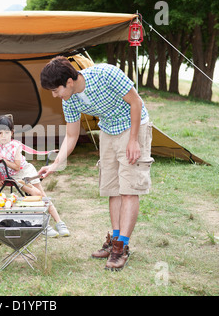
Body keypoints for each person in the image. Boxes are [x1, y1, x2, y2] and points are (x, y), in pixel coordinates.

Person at [38, 56, 153, 271]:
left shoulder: (106, 74)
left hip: (133, 126)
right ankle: (115, 238)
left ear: (69, 82)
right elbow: (71, 136)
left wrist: (134, 140)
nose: (55, 95)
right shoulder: (69, 99)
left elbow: (136, 102)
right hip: (108, 131)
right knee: (113, 188)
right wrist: (55, 165)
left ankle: (122, 247)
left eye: (56, 90)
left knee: (129, 189)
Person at [0, 115, 70, 238]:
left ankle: (59, 222)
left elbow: (16, 166)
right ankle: (43, 225)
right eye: (0, 132)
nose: (4, 136)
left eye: (7, 132)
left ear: (12, 132)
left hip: (24, 171)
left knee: (42, 196)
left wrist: (3, 160)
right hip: (14, 178)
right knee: (37, 195)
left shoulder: (15, 146)